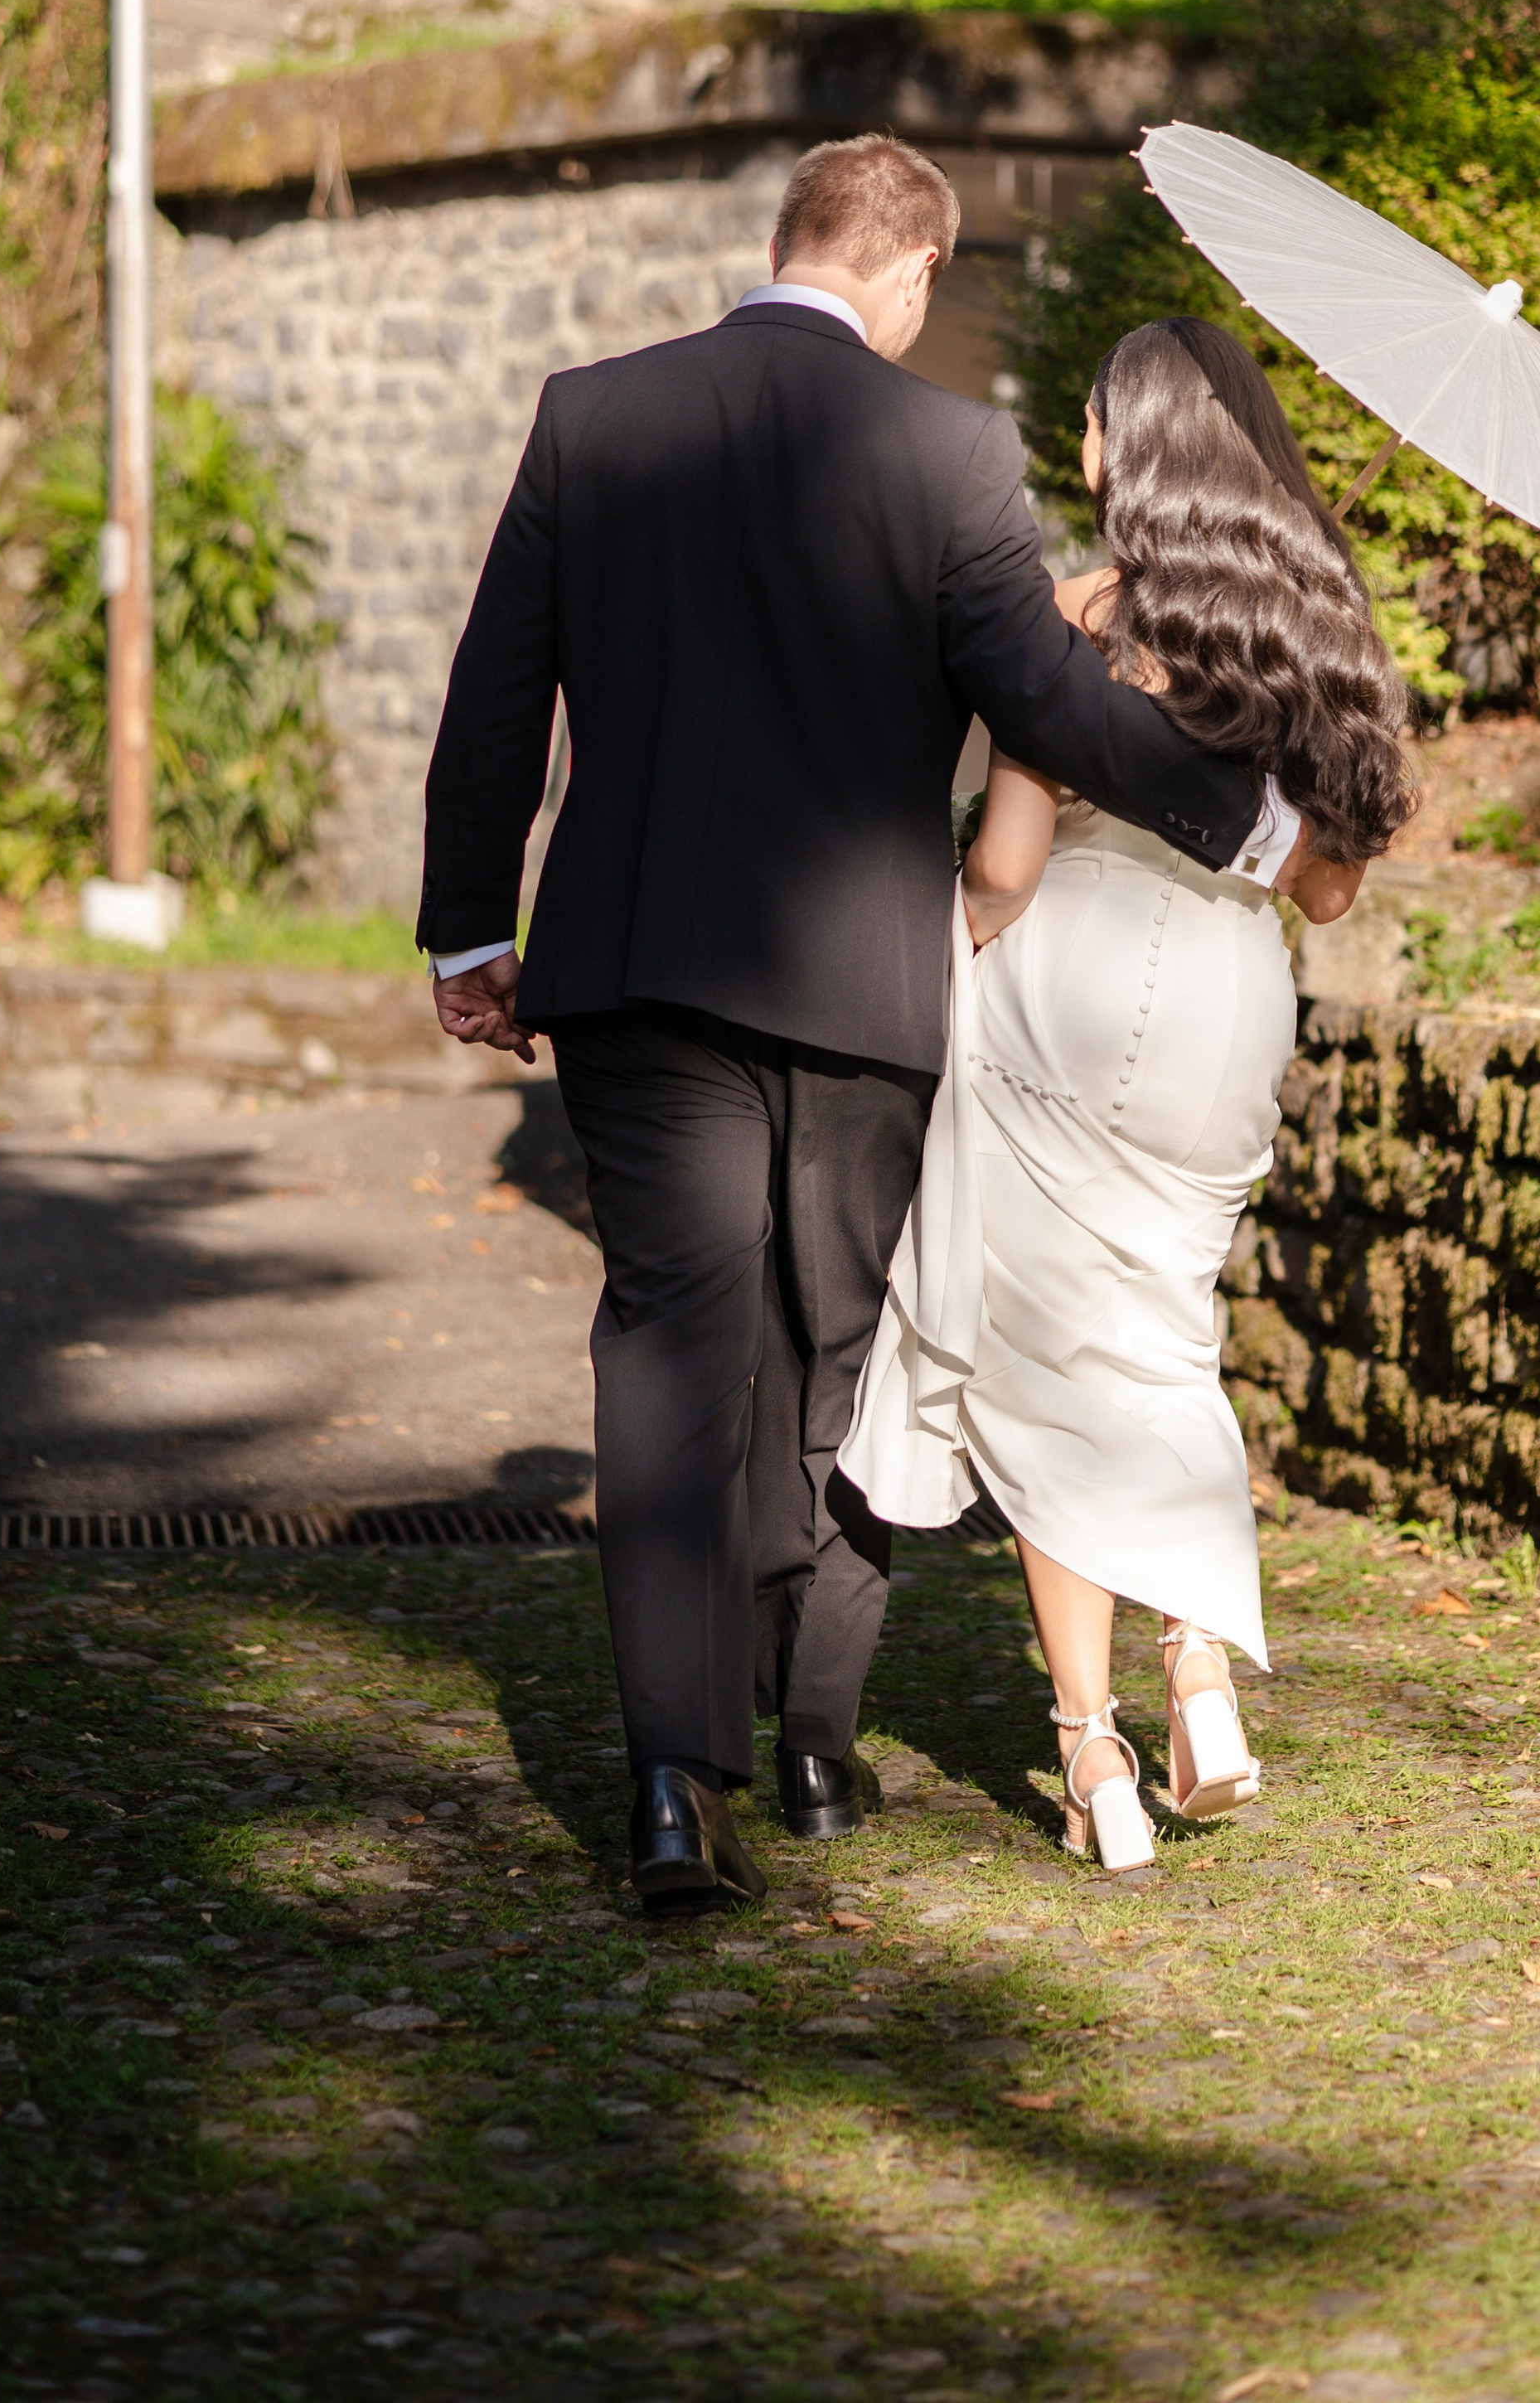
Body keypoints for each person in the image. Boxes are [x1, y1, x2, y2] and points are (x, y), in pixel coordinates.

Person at [418, 139, 1295, 1906]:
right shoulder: (947, 450)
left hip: (642, 974)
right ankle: (811, 1747)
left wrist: (466, 932)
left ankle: (673, 1785)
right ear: (909, 274)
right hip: (860, 982)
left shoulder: (594, 417)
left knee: (672, 1344)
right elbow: (1046, 699)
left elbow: (496, 685)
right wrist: (1250, 819)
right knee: (832, 1348)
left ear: (784, 247)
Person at [840, 317, 1414, 1868]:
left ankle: (1093, 1759)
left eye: (1093, 419)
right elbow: (1332, 895)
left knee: (1042, 1370)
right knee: (1165, 1337)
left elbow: (1012, 868)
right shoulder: (1321, 633)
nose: (1081, 443)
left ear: (1132, 445)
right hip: (1228, 1006)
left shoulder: (1083, 615)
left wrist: (938, 919)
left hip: (1070, 988)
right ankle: (1199, 1668)